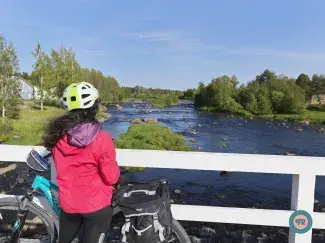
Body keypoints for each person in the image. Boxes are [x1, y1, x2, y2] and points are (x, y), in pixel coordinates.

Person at [43, 82, 120, 243]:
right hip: (96, 205)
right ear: (94, 107)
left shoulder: (57, 136)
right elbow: (111, 178)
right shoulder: (102, 138)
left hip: (69, 204)